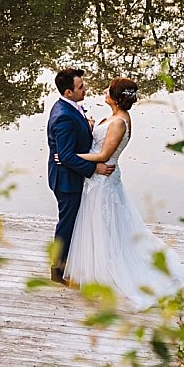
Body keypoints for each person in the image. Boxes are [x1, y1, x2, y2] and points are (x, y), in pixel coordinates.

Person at [64, 77, 184, 310]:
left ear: (117, 98)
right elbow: (98, 143)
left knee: (106, 225)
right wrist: (90, 128)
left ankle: (109, 270)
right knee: (98, 224)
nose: (104, 92)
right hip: (96, 180)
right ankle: (97, 267)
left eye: (108, 90)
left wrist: (69, 157)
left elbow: (103, 155)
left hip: (103, 180)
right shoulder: (112, 117)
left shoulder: (119, 122)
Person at [47, 67, 115, 285]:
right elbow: (65, 155)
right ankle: (57, 270)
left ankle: (69, 263)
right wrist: (94, 169)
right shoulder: (64, 117)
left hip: (69, 175)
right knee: (67, 223)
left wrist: (87, 127)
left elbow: (67, 148)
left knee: (72, 222)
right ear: (68, 92)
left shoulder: (68, 107)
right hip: (66, 180)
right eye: (80, 86)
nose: (85, 88)